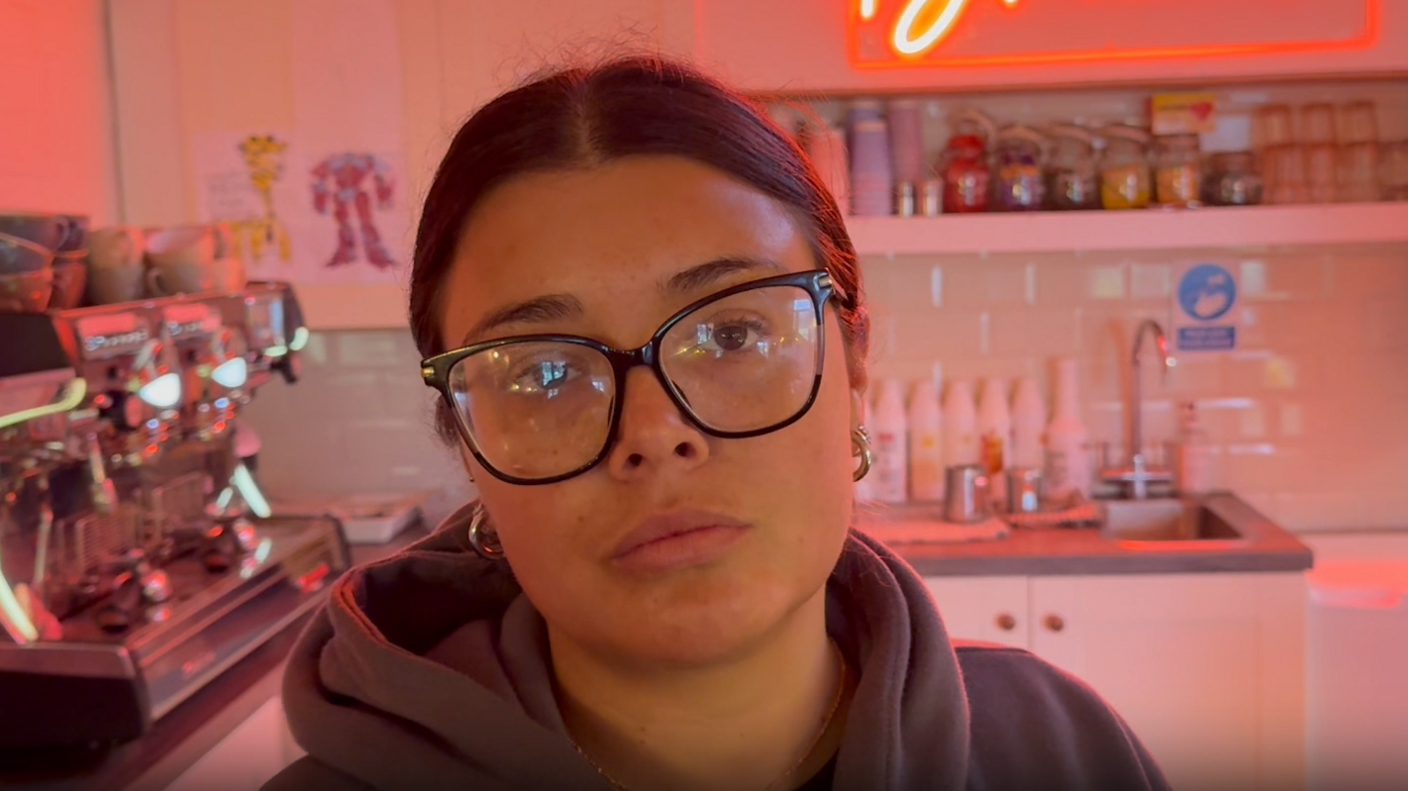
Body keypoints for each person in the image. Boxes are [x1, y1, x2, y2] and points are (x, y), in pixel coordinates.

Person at [265, 56, 1170, 791]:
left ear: (852, 364)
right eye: (544, 371)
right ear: (466, 446)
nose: (654, 433)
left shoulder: (1062, 749)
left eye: (732, 331)